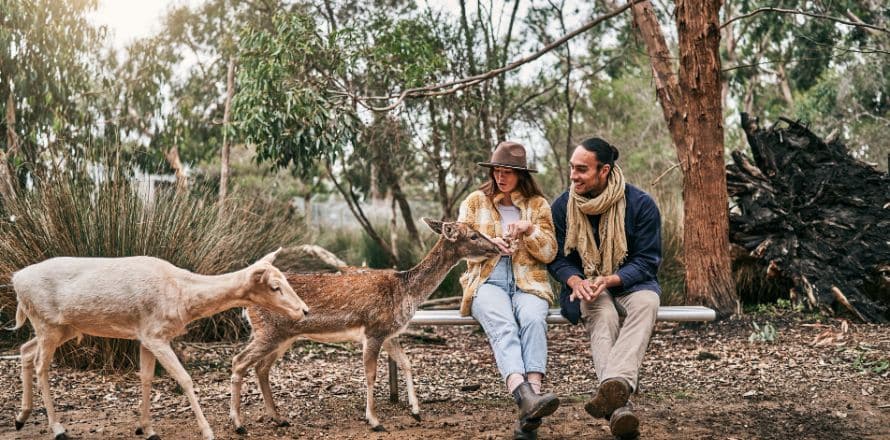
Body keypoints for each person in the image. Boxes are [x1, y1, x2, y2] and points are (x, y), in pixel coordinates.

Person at [547, 137, 662, 440]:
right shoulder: (562, 206)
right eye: (572, 168)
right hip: (585, 286)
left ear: (604, 171)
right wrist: (576, 280)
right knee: (603, 314)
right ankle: (619, 407)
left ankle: (615, 388)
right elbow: (557, 258)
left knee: (647, 304)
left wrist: (610, 280)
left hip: (629, 281)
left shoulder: (641, 204)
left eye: (582, 169)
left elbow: (647, 261)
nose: (573, 176)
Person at [457, 141, 560, 440]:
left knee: (532, 320)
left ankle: (532, 407)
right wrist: (490, 246)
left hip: (529, 281)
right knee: (504, 326)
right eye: (497, 171)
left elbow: (550, 252)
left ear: (521, 175)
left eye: (508, 172)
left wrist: (529, 231)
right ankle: (525, 396)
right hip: (487, 281)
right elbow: (460, 246)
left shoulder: (538, 205)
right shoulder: (475, 201)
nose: (500, 177)